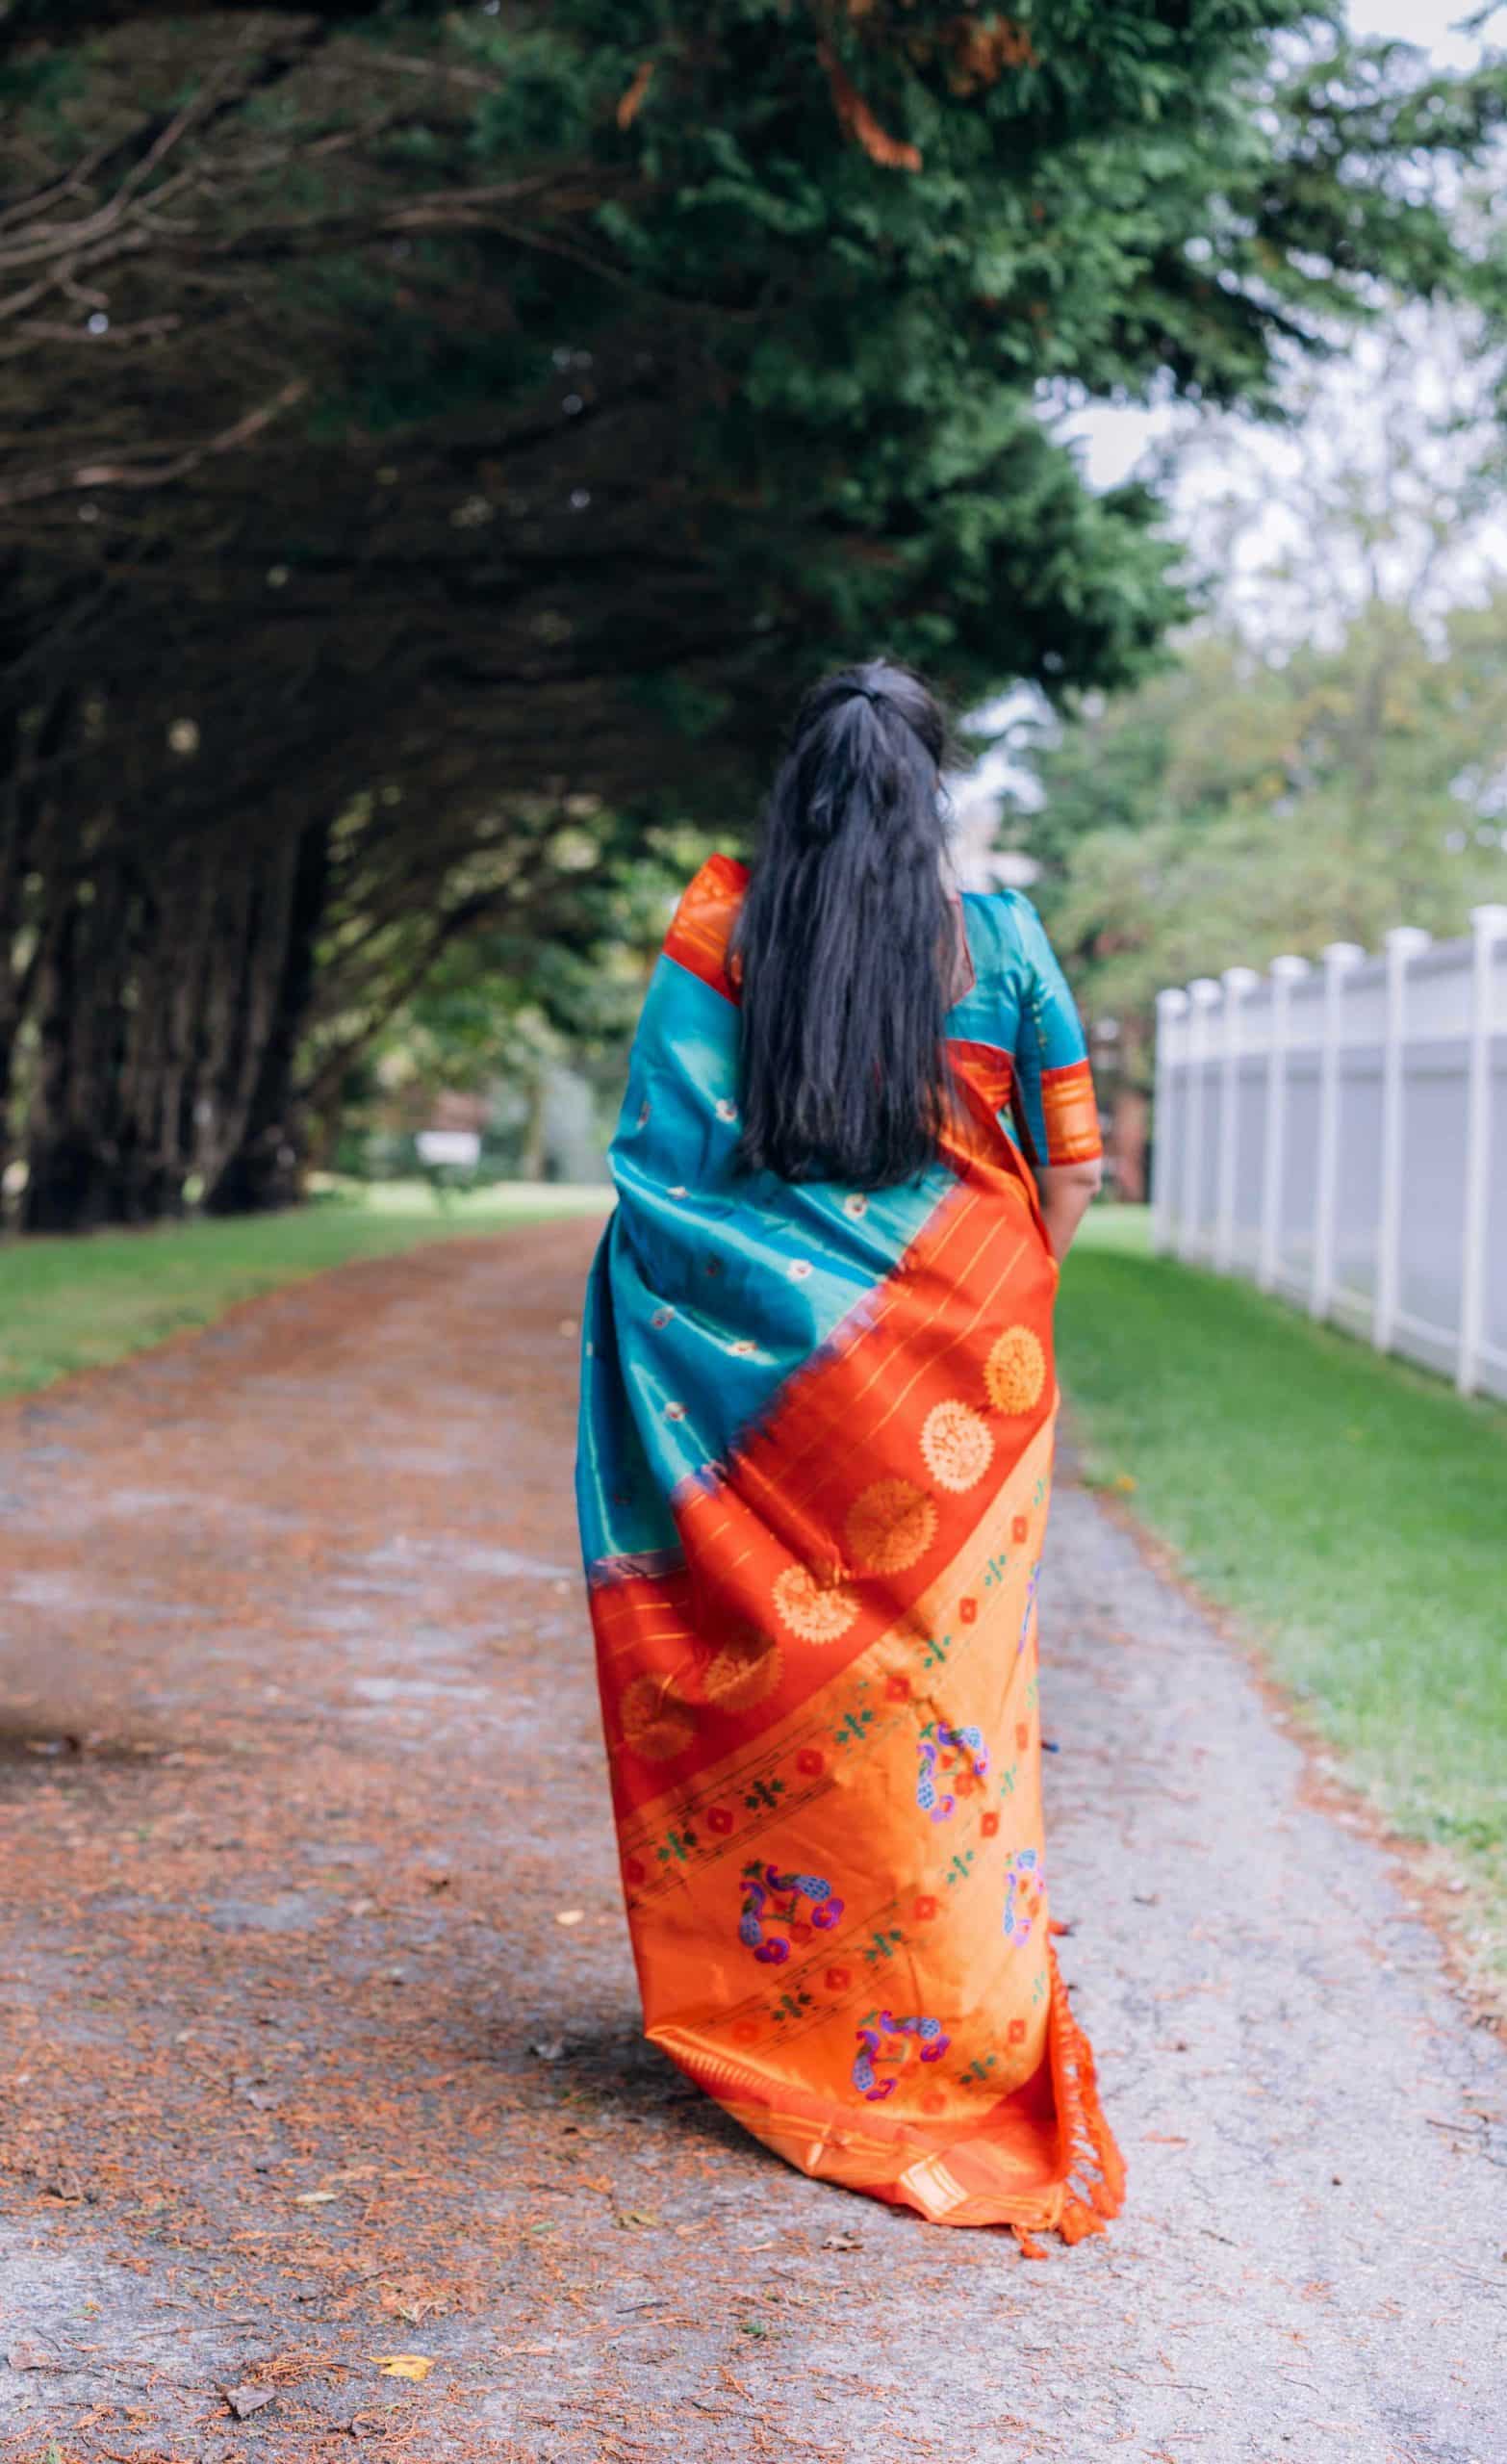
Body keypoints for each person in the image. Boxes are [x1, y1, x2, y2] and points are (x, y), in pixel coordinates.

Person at [575, 658, 1122, 2249]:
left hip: (771, 1408)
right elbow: (1071, 1166)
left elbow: (666, 1182)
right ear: (929, 790)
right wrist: (988, 1311)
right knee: (947, 1718)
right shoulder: (1000, 940)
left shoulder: (722, 930)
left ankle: (782, 2016)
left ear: (793, 784)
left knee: (784, 1678)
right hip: (969, 1392)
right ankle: (949, 2022)